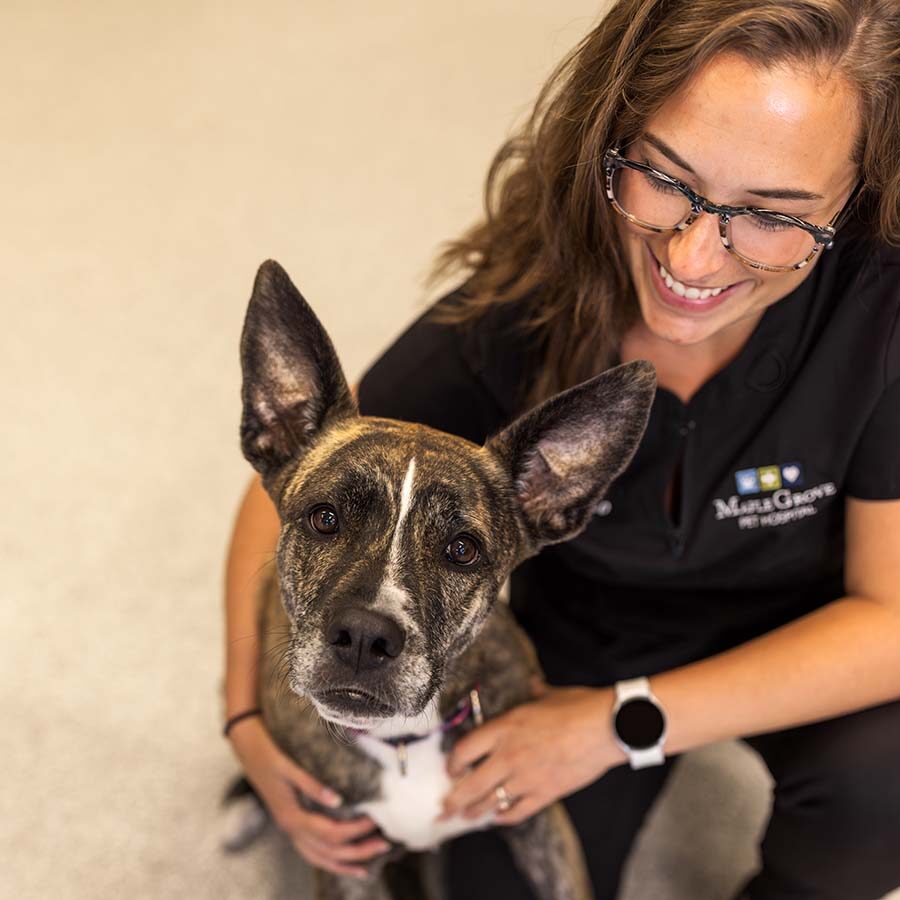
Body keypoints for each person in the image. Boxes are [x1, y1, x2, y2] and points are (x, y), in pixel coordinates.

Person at [223, 1, 900, 897]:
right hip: (588, 639)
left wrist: (618, 725)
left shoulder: (884, 313)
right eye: (664, 177)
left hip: (810, 625)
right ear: (611, 138)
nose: (694, 258)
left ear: (855, 195)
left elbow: (892, 620)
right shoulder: (504, 322)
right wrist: (245, 719)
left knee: (880, 798)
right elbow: (297, 478)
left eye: (773, 215)